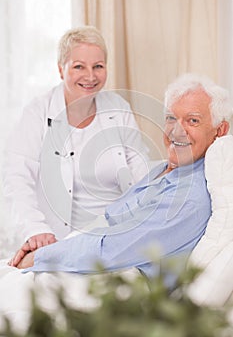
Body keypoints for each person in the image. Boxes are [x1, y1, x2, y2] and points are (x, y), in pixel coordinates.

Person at [10, 73, 232, 276]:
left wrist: (39, 257)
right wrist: (52, 248)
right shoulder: (162, 170)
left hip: (113, 284)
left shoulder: (187, 198)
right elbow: (108, 226)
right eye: (171, 118)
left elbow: (109, 251)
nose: (176, 131)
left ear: (220, 130)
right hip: (81, 255)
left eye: (192, 120)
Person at [2, 25, 152, 253]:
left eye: (98, 66)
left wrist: (146, 219)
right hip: (58, 239)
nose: (90, 76)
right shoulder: (38, 112)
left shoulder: (118, 108)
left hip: (115, 236)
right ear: (61, 70)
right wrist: (35, 229)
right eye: (79, 66)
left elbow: (141, 170)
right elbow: (16, 178)